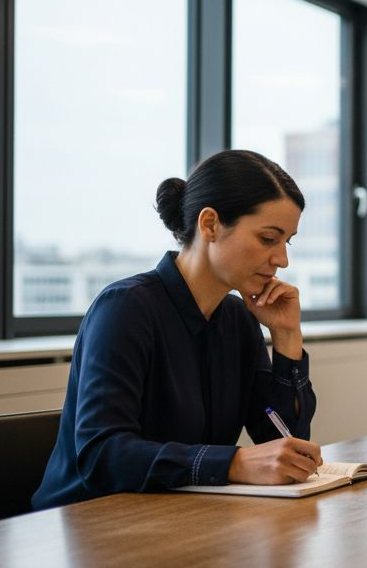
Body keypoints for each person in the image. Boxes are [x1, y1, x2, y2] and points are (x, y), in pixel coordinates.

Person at [33, 150, 322, 509]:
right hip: (86, 525)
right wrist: (232, 463)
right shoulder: (125, 309)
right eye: (268, 239)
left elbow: (283, 439)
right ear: (210, 224)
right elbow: (102, 454)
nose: (282, 259)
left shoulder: (238, 320)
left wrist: (287, 337)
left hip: (175, 519)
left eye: (286, 242)